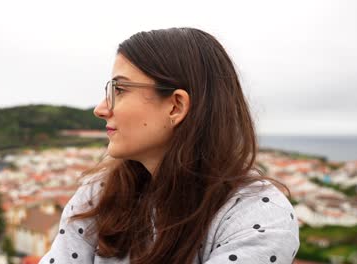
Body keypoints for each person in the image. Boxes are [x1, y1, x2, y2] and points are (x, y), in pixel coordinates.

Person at [39, 27, 300, 264]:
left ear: (176, 106)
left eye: (119, 90)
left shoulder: (259, 216)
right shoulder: (97, 195)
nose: (100, 109)